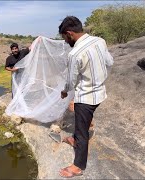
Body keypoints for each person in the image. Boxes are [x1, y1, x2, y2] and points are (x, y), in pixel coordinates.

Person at [58, 16, 114, 178]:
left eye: (65, 38)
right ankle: (75, 139)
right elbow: (109, 62)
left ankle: (78, 166)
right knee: (83, 120)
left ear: (69, 33)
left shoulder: (75, 53)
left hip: (86, 98)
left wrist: (65, 91)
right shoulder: (99, 41)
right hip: (100, 93)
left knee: (82, 131)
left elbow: (70, 80)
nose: (66, 41)